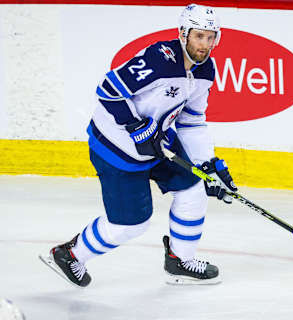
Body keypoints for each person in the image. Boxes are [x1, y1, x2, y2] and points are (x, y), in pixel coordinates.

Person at [39, 3, 237, 287]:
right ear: (183, 34)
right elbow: (108, 91)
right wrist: (136, 126)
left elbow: (192, 120)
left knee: (194, 189)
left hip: (159, 141)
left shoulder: (206, 70)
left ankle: (179, 260)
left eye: (210, 37)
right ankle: (69, 255)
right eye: (198, 36)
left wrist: (208, 163)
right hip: (117, 147)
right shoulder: (160, 60)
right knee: (130, 224)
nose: (204, 45)